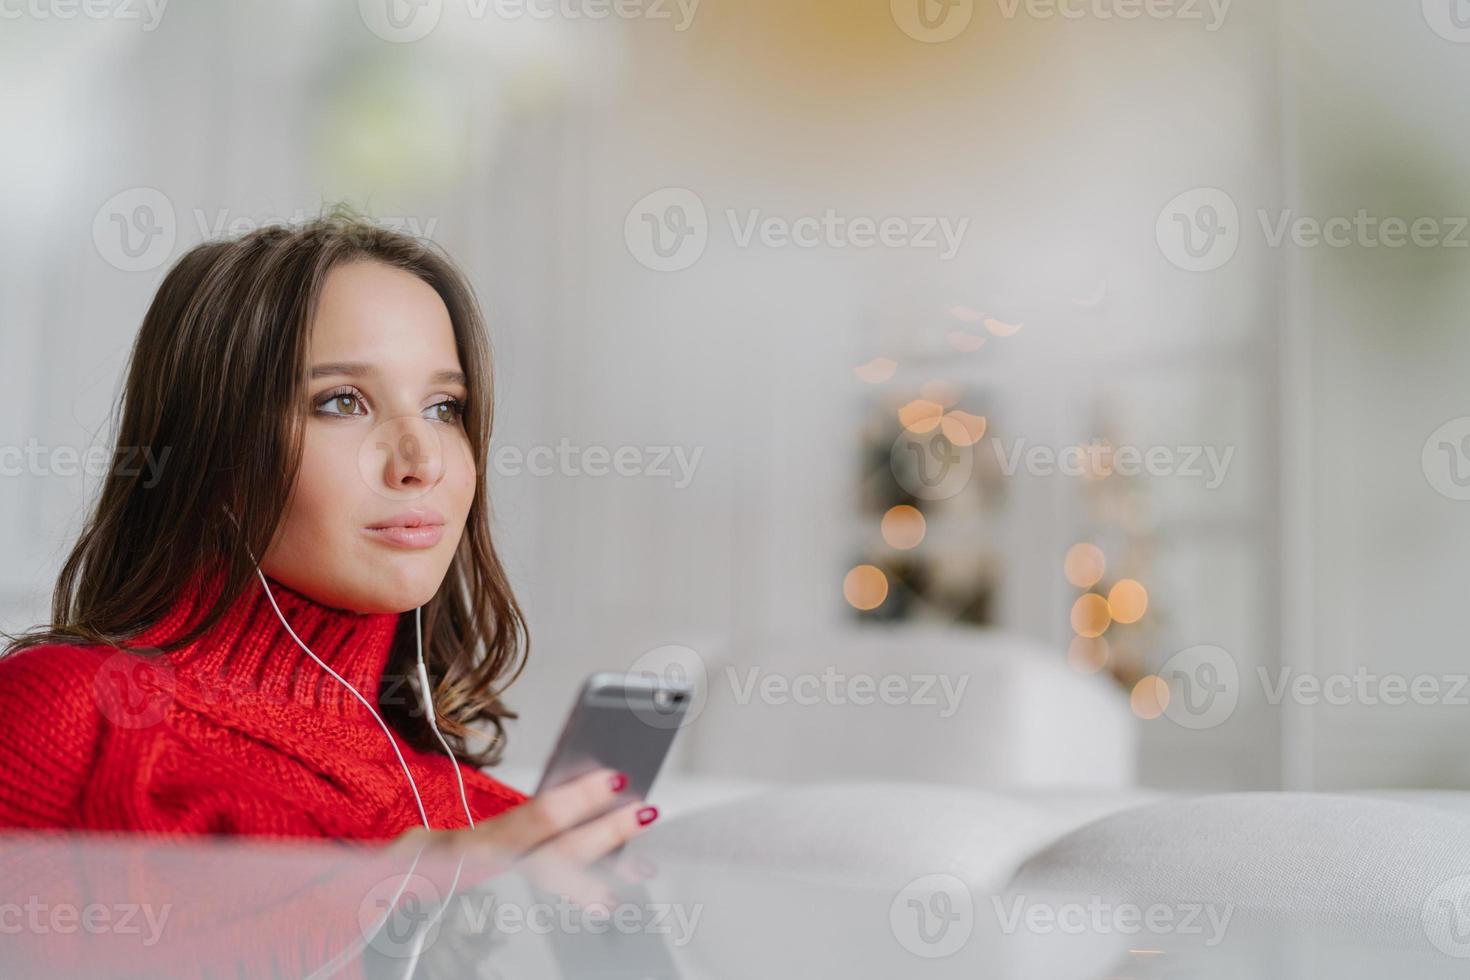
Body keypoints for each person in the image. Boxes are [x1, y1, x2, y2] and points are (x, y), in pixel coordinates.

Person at [0, 212, 657, 871]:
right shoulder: (68, 715)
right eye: (342, 401)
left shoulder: (484, 817)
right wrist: (389, 899)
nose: (419, 460)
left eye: (444, 408)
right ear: (209, 446)